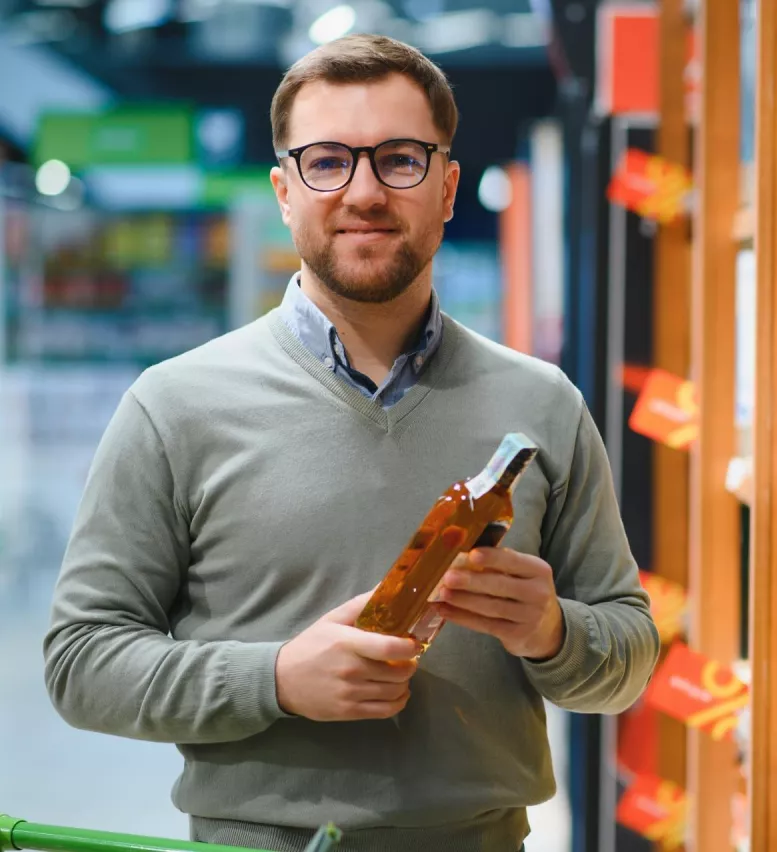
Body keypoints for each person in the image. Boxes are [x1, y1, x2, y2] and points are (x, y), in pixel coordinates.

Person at [43, 33, 660, 852]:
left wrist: (550, 631)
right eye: (327, 161)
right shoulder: (175, 406)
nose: (363, 191)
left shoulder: (540, 404)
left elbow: (631, 650)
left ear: (446, 187)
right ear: (284, 191)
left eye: (399, 159)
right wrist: (274, 681)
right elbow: (81, 662)